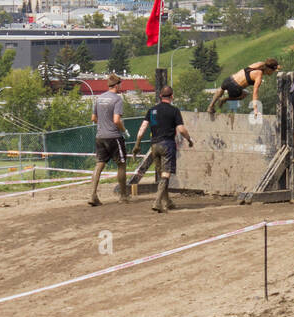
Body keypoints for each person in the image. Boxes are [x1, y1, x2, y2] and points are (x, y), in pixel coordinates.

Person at [130, 85, 194, 213]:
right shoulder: (174, 110)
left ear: (160, 96)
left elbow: (142, 128)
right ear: (172, 96)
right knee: (166, 174)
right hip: (167, 145)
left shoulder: (152, 110)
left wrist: (137, 144)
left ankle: (167, 201)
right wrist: (189, 139)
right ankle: (157, 201)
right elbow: (181, 129)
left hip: (154, 145)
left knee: (161, 175)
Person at [89, 73, 128, 207]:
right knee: (121, 164)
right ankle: (123, 196)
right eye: (120, 85)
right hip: (114, 136)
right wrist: (123, 129)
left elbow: (93, 118)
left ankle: (93, 195)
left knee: (99, 164)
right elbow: (117, 120)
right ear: (116, 85)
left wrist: (103, 124)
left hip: (100, 136)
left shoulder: (99, 98)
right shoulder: (117, 99)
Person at [207, 58, 279, 116]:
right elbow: (255, 93)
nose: (272, 73)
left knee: (221, 88)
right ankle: (224, 99)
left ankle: (210, 106)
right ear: (269, 69)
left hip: (229, 79)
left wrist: (276, 66)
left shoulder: (259, 64)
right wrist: (255, 109)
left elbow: (270, 64)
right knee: (245, 94)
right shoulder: (258, 76)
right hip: (235, 88)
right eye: (273, 71)